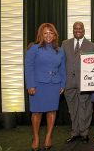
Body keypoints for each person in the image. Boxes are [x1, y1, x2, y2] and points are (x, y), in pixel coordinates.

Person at [25, 23, 66, 151]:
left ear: (55, 35)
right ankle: (36, 137)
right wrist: (30, 85)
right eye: (45, 33)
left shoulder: (60, 50)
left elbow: (63, 69)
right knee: (36, 112)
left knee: (52, 111)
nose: (48, 35)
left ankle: (48, 137)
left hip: (54, 85)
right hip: (38, 85)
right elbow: (29, 68)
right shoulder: (34, 48)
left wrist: (62, 84)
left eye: (51, 33)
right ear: (41, 35)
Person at [62, 21, 94, 144]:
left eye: (80, 28)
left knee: (85, 108)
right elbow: (61, 64)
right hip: (68, 83)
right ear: (73, 30)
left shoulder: (91, 46)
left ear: (84, 30)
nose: (78, 30)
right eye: (75, 28)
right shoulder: (65, 44)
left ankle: (84, 133)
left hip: (84, 84)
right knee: (72, 109)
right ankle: (75, 132)